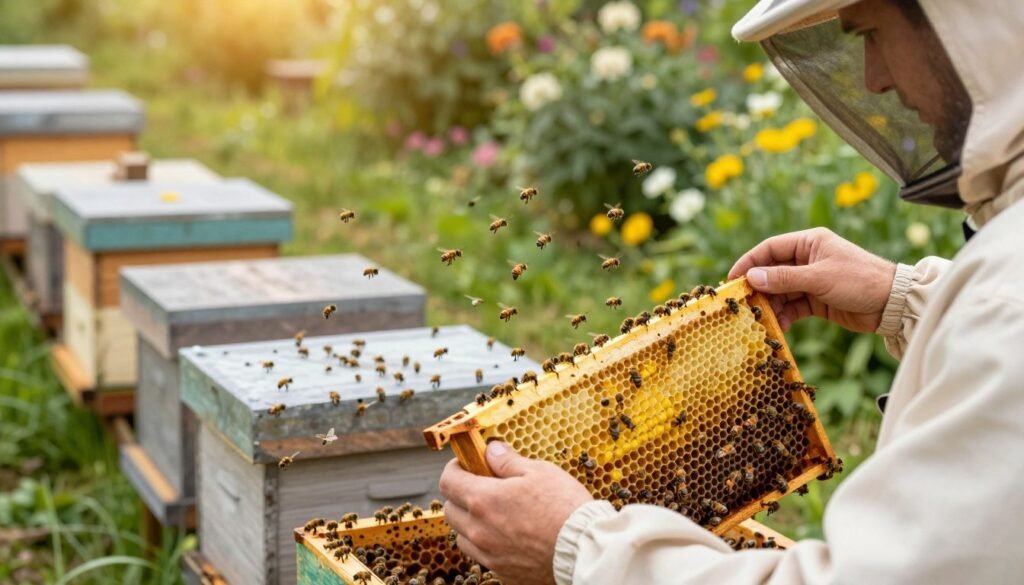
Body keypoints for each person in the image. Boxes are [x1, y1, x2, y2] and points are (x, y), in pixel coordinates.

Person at [439, 0, 1024, 582]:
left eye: (871, 32)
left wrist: (582, 548)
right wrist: (907, 297)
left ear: (974, 28)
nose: (873, 78)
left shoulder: (1006, 311)